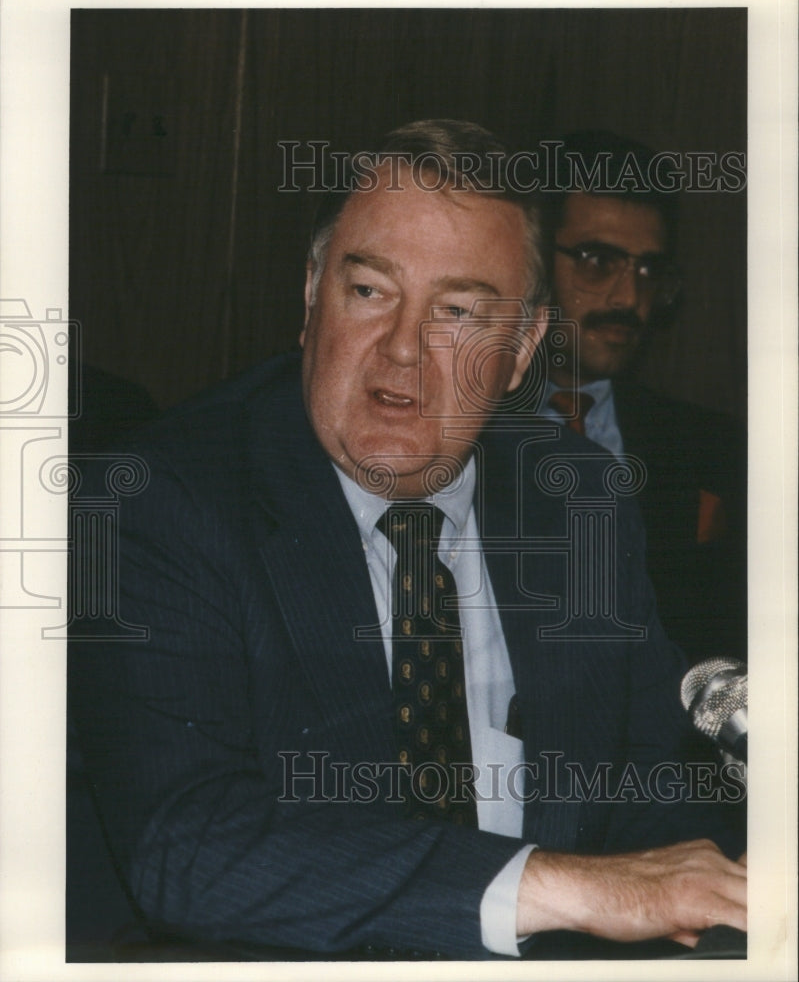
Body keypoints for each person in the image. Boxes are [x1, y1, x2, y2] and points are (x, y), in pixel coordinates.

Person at [69, 120, 746, 961]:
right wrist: (557, 884)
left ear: (521, 349)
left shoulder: (576, 498)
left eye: (457, 311)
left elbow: (648, 791)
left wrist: (709, 890)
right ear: (312, 291)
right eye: (369, 291)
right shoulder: (160, 498)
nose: (402, 349)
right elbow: (189, 848)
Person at [534, 130, 746, 664]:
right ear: (534, 263)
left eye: (649, 270)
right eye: (597, 261)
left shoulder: (715, 448)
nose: (630, 298)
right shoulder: (455, 431)